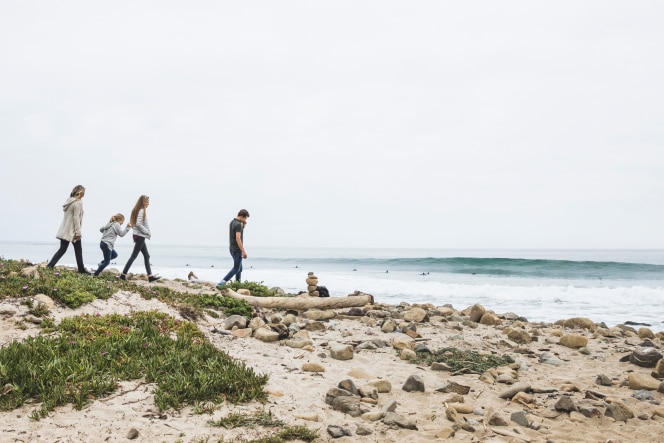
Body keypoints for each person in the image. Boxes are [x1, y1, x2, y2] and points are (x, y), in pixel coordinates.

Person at [47, 185, 90, 274]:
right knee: (78, 251)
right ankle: (81, 270)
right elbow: (76, 218)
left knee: (62, 249)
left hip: (64, 230)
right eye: (83, 193)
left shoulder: (69, 201)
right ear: (80, 192)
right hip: (73, 231)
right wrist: (78, 232)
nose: (84, 195)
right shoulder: (78, 203)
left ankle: (49, 266)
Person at [119, 195, 161, 282]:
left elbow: (136, 223)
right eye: (147, 202)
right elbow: (138, 224)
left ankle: (150, 276)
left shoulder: (137, 210)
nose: (148, 204)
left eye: (148, 202)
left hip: (138, 235)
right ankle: (123, 275)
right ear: (143, 202)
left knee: (146, 255)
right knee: (134, 256)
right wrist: (147, 232)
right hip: (140, 235)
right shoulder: (141, 210)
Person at [217, 209, 250, 286]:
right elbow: (238, 238)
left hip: (232, 248)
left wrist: (243, 226)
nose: (245, 220)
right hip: (237, 249)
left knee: (239, 268)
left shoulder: (232, 222)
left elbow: (236, 234)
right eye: (245, 218)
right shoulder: (238, 224)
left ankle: (237, 285)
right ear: (242, 216)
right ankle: (221, 283)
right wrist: (243, 251)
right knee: (236, 268)